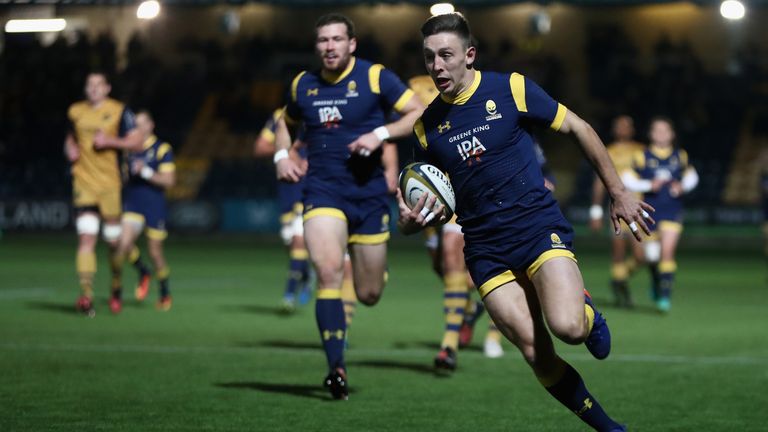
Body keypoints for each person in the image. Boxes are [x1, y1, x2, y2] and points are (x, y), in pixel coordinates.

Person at [398, 13, 653, 431]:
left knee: (568, 328)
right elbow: (423, 208)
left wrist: (618, 191)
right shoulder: (427, 129)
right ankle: (608, 428)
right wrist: (410, 221)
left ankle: (587, 315)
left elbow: (578, 127)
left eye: (446, 55)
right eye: (429, 58)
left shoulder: (510, 88)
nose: (437, 67)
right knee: (537, 352)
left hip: (536, 228)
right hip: (485, 249)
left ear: (469, 55)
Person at [273, 13, 424, 400]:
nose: (329, 47)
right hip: (323, 192)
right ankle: (336, 368)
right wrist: (281, 156)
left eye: (337, 39)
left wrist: (379, 134)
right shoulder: (302, 85)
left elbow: (419, 111)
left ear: (351, 44)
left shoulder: (375, 77)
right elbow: (284, 122)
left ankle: (372, 270)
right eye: (323, 40)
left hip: (370, 197)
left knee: (369, 293)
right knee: (327, 272)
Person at [65, 72, 143, 316]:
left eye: (99, 84)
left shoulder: (120, 111)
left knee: (112, 242)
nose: (94, 88)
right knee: (86, 238)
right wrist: (69, 149)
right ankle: (86, 295)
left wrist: (110, 141)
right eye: (90, 84)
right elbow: (70, 137)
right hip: (84, 181)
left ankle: (116, 285)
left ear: (107, 88)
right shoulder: (75, 111)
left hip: (110, 184)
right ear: (86, 89)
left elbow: (136, 142)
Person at [622, 117, 698, 312]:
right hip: (650, 212)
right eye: (657, 130)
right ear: (651, 134)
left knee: (667, 253)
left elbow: (692, 176)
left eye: (665, 130)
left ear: (672, 134)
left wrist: (683, 186)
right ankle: (654, 281)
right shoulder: (643, 156)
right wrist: (648, 185)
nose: (661, 134)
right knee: (650, 256)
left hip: (672, 210)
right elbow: (626, 178)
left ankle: (664, 297)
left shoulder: (680, 156)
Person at [112, 110, 176, 312]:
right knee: (122, 243)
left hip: (153, 205)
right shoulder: (128, 149)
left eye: (141, 124)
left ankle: (165, 292)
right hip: (132, 204)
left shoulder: (161, 149)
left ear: (151, 125)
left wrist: (146, 171)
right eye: (135, 124)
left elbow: (169, 181)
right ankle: (142, 270)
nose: (137, 128)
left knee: (155, 252)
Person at [255, 109, 313, 312]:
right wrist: (287, 152)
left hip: (312, 185)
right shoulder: (281, 116)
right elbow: (260, 147)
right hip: (288, 187)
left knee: (298, 240)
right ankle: (306, 277)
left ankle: (289, 295)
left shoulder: (323, 105)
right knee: (291, 243)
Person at [589, 115, 646, 307]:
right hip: (617, 209)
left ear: (632, 129)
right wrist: (595, 211)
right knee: (618, 253)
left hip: (637, 207)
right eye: (619, 126)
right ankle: (621, 289)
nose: (623, 129)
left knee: (640, 256)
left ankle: (619, 280)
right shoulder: (608, 151)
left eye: (626, 126)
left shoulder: (641, 150)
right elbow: (599, 181)